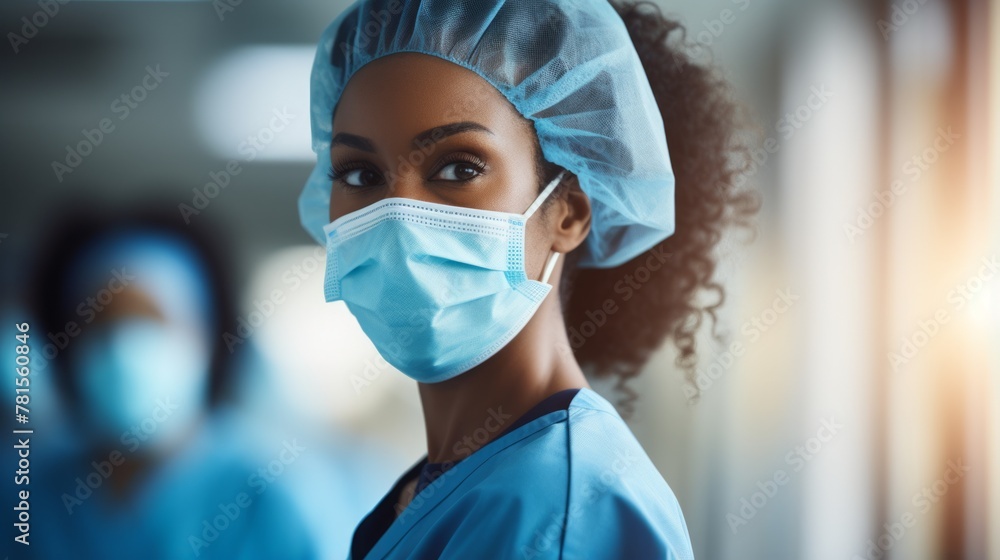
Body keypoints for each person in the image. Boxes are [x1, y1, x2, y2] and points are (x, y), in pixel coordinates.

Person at [297, 1, 757, 558]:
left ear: (569, 212)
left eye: (459, 168)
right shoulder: (458, 482)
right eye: (360, 174)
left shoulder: (566, 516)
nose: (397, 217)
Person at [23, 205, 318, 559]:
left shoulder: (263, 496)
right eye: (100, 323)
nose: (121, 348)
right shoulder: (27, 494)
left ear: (204, 338)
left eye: (150, 320)